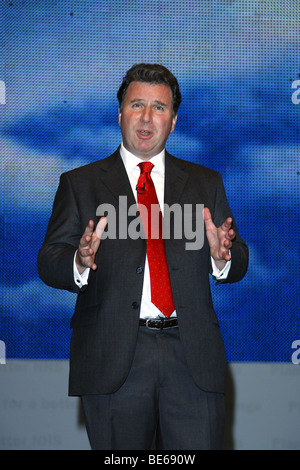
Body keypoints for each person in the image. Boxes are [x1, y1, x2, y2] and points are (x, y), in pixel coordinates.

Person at [38, 63, 248, 450]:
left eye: (159, 107)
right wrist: (79, 261)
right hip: (114, 357)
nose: (147, 118)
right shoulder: (80, 183)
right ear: (120, 114)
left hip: (192, 357)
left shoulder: (205, 182)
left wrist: (223, 255)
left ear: (174, 120)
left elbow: (238, 257)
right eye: (137, 105)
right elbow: (50, 259)